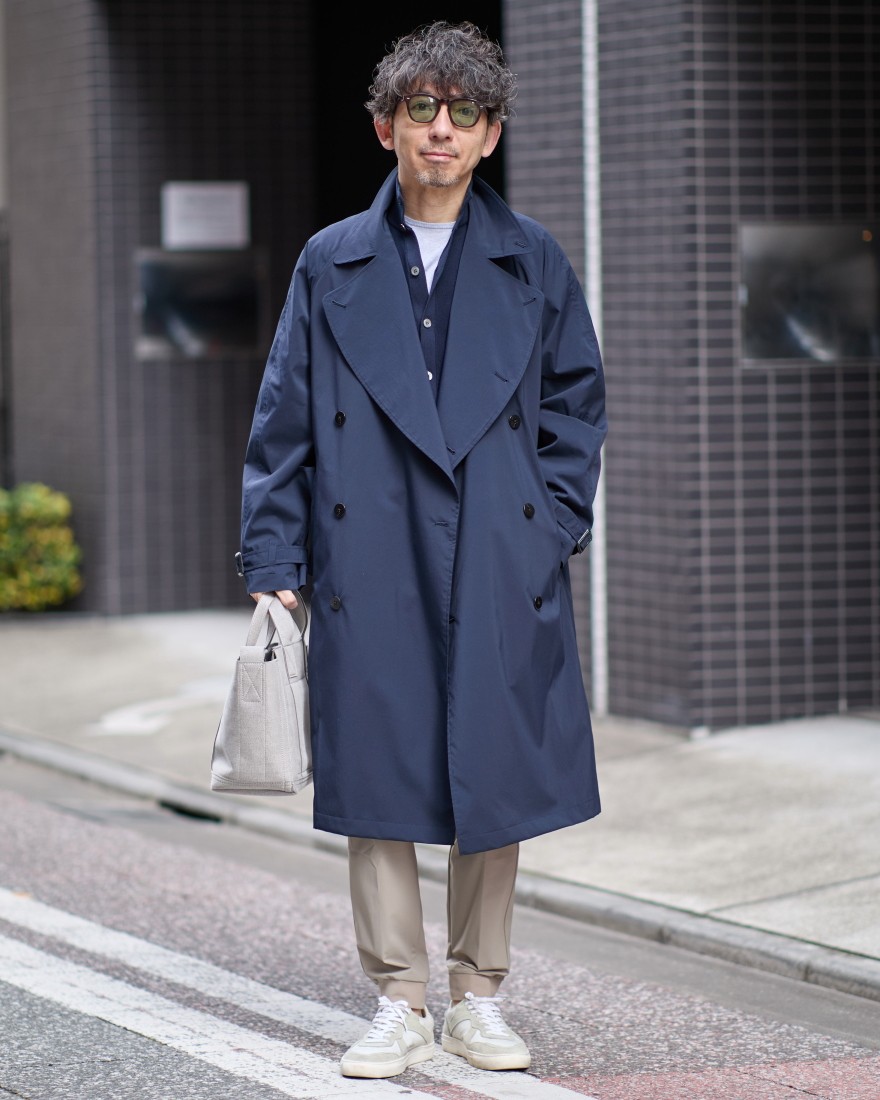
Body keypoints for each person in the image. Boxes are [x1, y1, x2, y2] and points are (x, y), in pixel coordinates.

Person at [237, 20, 607, 1080]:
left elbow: (576, 406)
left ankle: (478, 994)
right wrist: (274, 557)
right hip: (369, 552)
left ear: (490, 134)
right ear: (385, 127)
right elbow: (284, 418)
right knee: (380, 767)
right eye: (420, 109)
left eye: (463, 112)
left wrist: (545, 526)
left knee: (495, 766)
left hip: (498, 548)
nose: (440, 129)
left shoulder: (532, 258)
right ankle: (398, 997)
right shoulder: (330, 261)